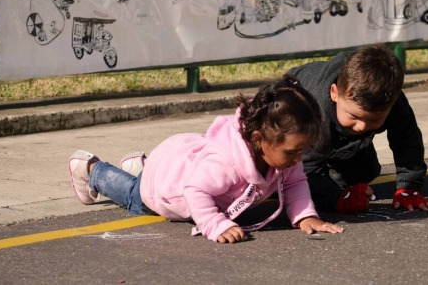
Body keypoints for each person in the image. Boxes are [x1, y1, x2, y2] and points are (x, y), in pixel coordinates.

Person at [68, 75, 344, 244]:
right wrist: (214, 223)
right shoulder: (224, 163)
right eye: (292, 152)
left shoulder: (280, 157)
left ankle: (143, 165)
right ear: (259, 139)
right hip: (169, 191)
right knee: (133, 196)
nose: (298, 159)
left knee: (150, 176)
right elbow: (195, 189)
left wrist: (305, 216)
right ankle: (92, 169)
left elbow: (296, 183)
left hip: (178, 163)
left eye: (301, 151)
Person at [286, 44, 428, 214]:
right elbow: (306, 169)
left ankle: (331, 172)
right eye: (354, 116)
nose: (362, 126)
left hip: (332, 124)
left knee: (366, 172)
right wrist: (336, 199)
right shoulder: (316, 112)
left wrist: (408, 187)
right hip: (291, 102)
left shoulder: (393, 102)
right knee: (290, 173)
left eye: (374, 119)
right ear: (334, 93)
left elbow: (407, 141)